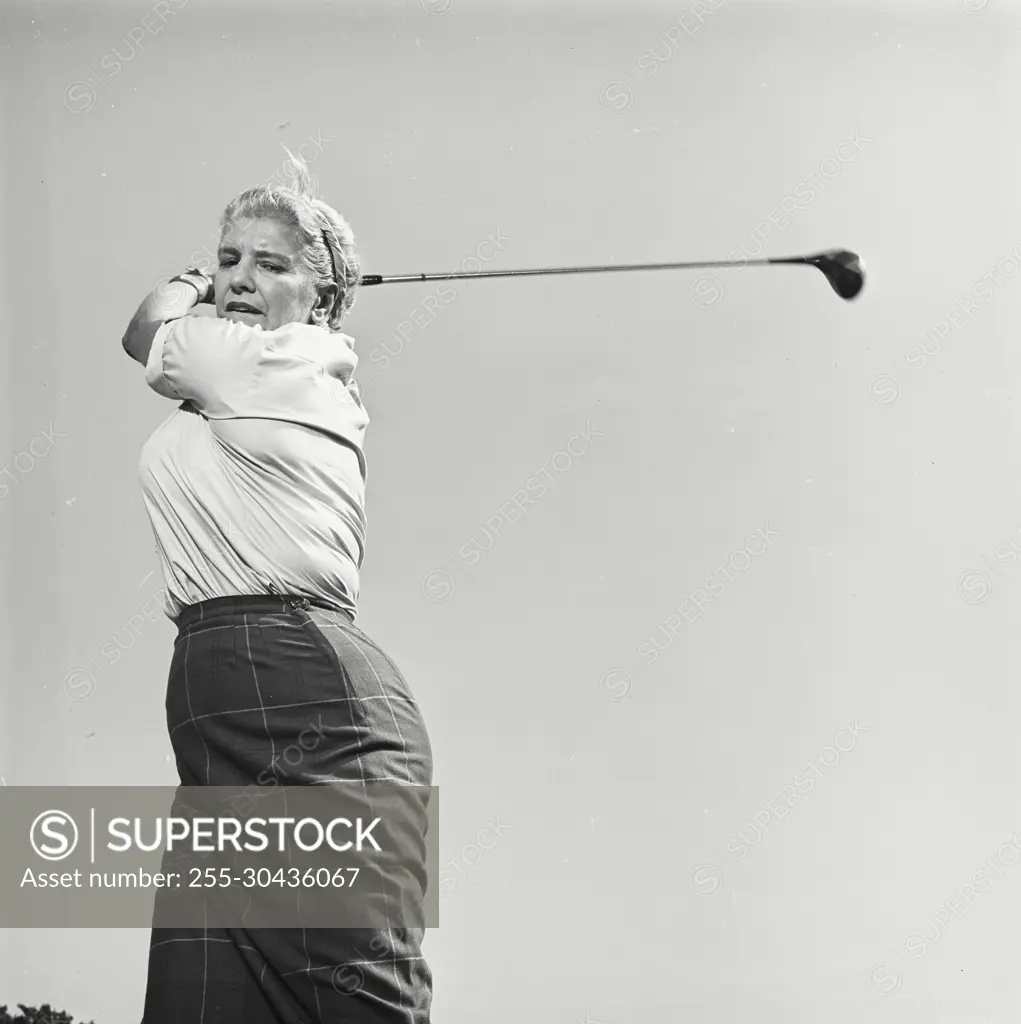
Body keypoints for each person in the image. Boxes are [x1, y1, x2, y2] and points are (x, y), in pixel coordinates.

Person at [121, 153, 434, 1023]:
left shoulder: (269, 362)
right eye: (226, 261)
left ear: (325, 298)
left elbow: (143, 327)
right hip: (226, 698)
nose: (239, 281)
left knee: (349, 993)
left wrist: (186, 282)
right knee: (202, 1001)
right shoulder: (239, 376)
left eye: (271, 263)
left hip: (300, 694)